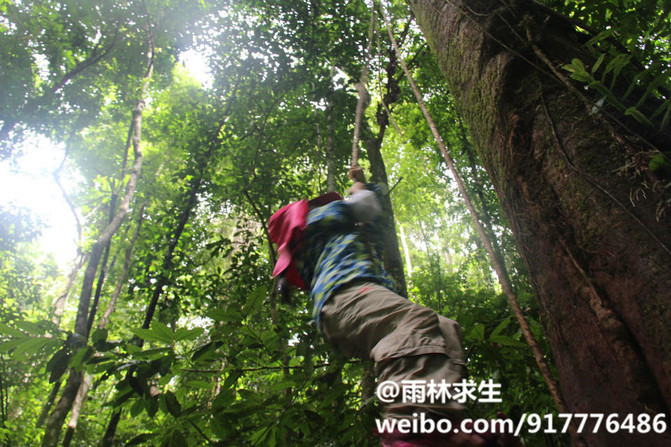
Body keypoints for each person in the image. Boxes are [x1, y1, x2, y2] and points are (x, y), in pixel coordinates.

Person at [268, 167, 515, 447]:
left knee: (444, 328)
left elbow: (372, 220)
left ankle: (447, 423)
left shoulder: (325, 237)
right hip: (348, 294)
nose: (324, 205)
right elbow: (365, 206)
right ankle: (410, 425)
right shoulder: (316, 219)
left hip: (347, 308)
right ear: (301, 216)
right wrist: (359, 189)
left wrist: (362, 191)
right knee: (414, 322)